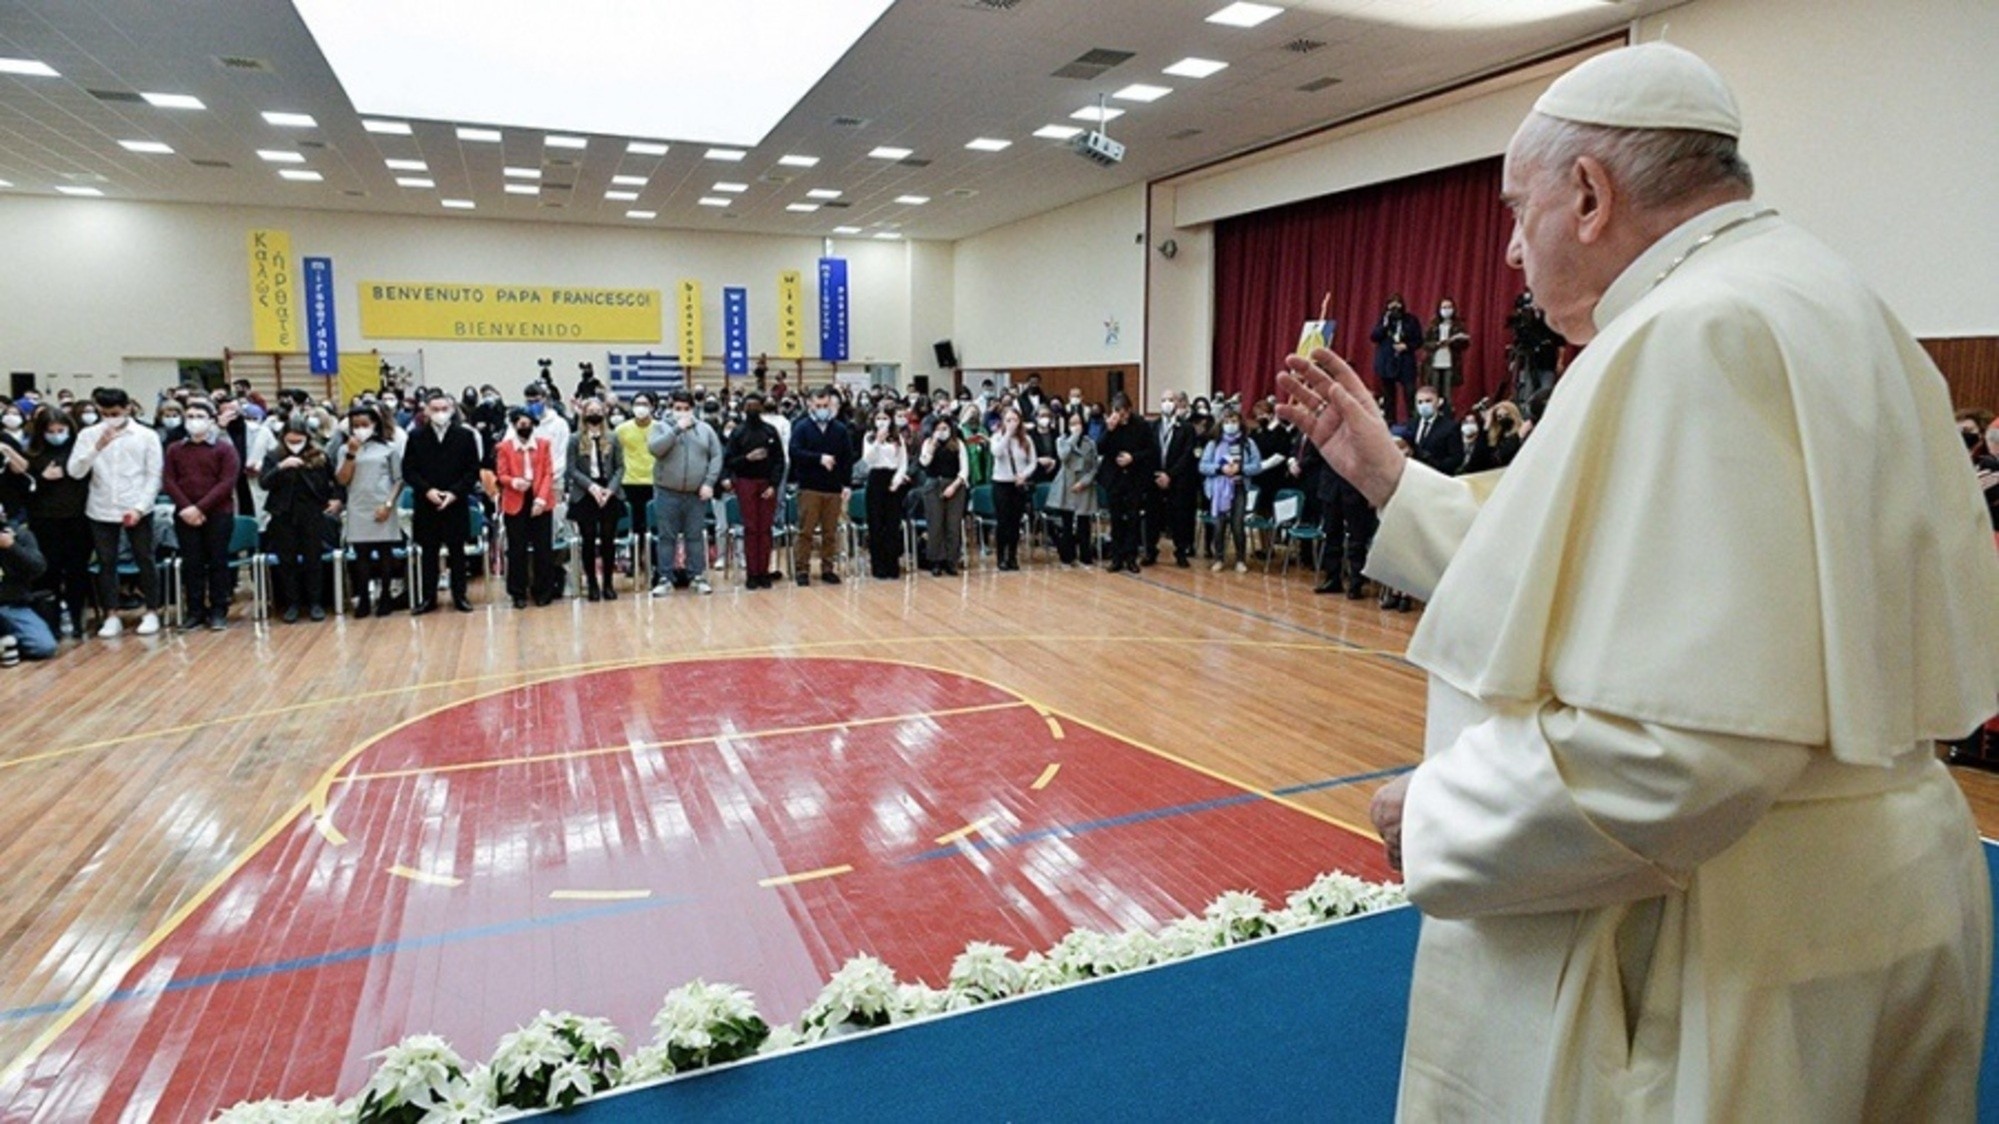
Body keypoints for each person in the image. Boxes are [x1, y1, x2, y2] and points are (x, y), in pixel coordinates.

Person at [1278, 43, 1999, 1120]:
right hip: (1869, 895)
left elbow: (1680, 752)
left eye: (1518, 212)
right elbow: (1597, 573)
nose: (1512, 254)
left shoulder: (1691, 331)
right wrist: (1393, 477)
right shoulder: (1820, 297)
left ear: (1588, 193)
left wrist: (1433, 812)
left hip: (1738, 933)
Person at [68, 388, 163, 637]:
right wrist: (96, 448)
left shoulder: (146, 435)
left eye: (116, 412)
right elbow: (75, 471)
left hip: (137, 506)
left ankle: (152, 611)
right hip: (101, 508)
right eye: (105, 413)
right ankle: (111, 614)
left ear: (128, 408)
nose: (111, 417)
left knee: (145, 558)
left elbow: (153, 475)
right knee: (106, 562)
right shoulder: (89, 435)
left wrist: (140, 507)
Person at [161, 399, 240, 630]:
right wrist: (186, 507)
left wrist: (200, 508)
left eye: (199, 416)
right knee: (192, 563)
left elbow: (226, 483)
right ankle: (194, 610)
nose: (194, 421)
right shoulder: (175, 449)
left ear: (211, 420)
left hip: (218, 514)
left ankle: (218, 610)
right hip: (185, 513)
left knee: (218, 561)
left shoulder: (225, 448)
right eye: (190, 416)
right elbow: (169, 480)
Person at [401, 390, 481, 614]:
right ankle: (428, 598)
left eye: (444, 409)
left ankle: (460, 596)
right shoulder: (416, 436)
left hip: (456, 502)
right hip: (427, 502)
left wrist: (454, 493)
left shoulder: (465, 436)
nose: (440, 413)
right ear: (426, 411)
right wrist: (427, 490)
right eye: (435, 409)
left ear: (452, 410)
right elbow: (409, 470)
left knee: (457, 552)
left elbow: (473, 470)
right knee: (428, 553)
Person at [22, 408, 91, 638]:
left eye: (60, 430)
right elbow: (21, 491)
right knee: (48, 572)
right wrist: (42, 479)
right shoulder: (32, 455)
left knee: (76, 571)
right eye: (50, 431)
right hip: (44, 521)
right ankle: (50, 621)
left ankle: (76, 618)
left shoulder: (78, 451)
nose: (56, 435)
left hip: (77, 519)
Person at [647, 391, 722, 596]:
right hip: (666, 492)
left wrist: (709, 483)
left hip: (696, 494)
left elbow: (716, 456)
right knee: (666, 537)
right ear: (671, 408)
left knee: (695, 536)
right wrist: (676, 430)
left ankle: (696, 576)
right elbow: (655, 449)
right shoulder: (660, 427)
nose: (682, 412)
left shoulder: (706, 430)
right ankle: (665, 578)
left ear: (693, 408)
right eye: (678, 408)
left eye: (686, 408)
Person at [332, 403, 403, 618]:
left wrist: (388, 505)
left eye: (365, 424)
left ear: (375, 424)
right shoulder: (344, 450)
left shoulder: (389, 448)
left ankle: (385, 598)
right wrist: (352, 454)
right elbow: (342, 479)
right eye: (356, 425)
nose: (360, 428)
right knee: (360, 555)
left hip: (382, 505)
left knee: (384, 554)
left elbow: (399, 480)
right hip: (358, 506)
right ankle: (363, 598)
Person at [260, 418, 333, 623]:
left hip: (311, 513)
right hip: (283, 514)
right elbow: (264, 483)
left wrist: (333, 500)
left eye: (299, 440)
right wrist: (281, 467)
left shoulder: (319, 456)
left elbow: (331, 482)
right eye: (291, 440)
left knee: (313, 559)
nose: (295, 444)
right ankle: (291, 603)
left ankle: (315, 603)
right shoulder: (274, 456)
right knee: (287, 561)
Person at [787, 386, 854, 586]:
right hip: (810, 487)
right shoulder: (801, 427)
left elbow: (847, 458)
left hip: (833, 488)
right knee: (806, 532)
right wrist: (819, 459)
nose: (823, 409)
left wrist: (847, 484)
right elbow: (795, 453)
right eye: (819, 405)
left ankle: (828, 568)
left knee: (830, 533)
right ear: (810, 405)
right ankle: (802, 569)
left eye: (826, 405)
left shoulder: (840, 429)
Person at [497, 406, 558, 608]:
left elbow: (548, 473)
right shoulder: (504, 447)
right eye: (521, 424)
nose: (525, 427)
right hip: (515, 499)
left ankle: (543, 591)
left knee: (543, 548)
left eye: (528, 423)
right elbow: (501, 474)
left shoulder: (543, 445)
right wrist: (514, 482)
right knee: (517, 550)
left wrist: (541, 499)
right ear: (514, 425)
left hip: (539, 496)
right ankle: (518, 592)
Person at [724, 393, 786, 589]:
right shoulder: (738, 433)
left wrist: (773, 485)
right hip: (746, 483)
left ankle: (764, 572)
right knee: (751, 529)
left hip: (766, 484)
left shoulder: (770, 431)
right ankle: (752, 573)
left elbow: (779, 461)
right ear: (744, 408)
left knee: (765, 530)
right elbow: (730, 462)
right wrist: (747, 458)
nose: (753, 409)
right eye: (749, 405)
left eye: (756, 405)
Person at [567, 401, 625, 601]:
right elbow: (571, 469)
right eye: (590, 411)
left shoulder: (613, 437)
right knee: (588, 539)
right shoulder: (574, 439)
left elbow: (620, 467)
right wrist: (591, 487)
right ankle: (591, 582)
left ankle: (608, 583)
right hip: (585, 493)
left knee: (609, 540)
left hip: (609, 492)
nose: (594, 415)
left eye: (598, 411)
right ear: (584, 414)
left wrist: (609, 490)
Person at [1198, 408, 1263, 572]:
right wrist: (1220, 469)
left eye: (1233, 421)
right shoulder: (1214, 444)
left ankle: (1240, 559)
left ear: (1240, 423)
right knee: (1219, 525)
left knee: (1237, 524)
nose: (1230, 425)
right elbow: (1203, 466)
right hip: (1218, 491)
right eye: (1226, 422)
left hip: (1239, 488)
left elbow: (1257, 466)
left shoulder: (1248, 444)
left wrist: (1240, 469)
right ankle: (1219, 558)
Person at [1096, 394, 1155, 574]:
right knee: (1115, 519)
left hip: (1134, 479)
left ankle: (1131, 557)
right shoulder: (1109, 426)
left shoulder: (1142, 426)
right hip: (1114, 479)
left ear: (1129, 410)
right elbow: (1099, 448)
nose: (1119, 416)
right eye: (1116, 412)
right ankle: (1116, 557)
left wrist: (1132, 458)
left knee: (1133, 519)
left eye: (1122, 412)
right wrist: (1109, 429)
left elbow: (1150, 451)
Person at [1148, 392, 1200, 567]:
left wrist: (1170, 475)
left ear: (1177, 404)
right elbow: (1148, 452)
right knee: (1153, 517)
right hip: (1155, 479)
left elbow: (1187, 455)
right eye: (1164, 400)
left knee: (1180, 517)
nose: (1167, 403)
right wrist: (1157, 474)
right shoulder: (1153, 426)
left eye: (1170, 400)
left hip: (1177, 480)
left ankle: (1181, 552)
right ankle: (1150, 551)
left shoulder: (1186, 428)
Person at [860, 408, 911, 579]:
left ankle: (892, 564)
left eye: (885, 418)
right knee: (876, 524)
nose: (882, 421)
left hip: (893, 480)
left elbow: (903, 461)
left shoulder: (898, 438)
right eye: (878, 418)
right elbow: (868, 460)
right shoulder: (868, 436)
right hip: (876, 478)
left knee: (892, 523)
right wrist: (877, 442)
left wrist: (897, 480)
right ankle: (878, 565)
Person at [0, 505, 55, 661]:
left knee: (44, 646)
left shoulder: (20, 535)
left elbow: (38, 568)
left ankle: (9, 642)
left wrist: (12, 547)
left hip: (12, 604)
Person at [1047, 409, 1099, 567]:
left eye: (1078, 423)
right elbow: (1063, 456)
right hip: (1066, 485)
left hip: (1084, 484)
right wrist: (1073, 437)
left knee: (1084, 522)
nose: (1076, 426)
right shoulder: (1061, 440)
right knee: (1067, 522)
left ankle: (1085, 556)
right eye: (1072, 423)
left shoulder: (1090, 443)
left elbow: (1094, 466)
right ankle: (1068, 556)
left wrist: (1084, 482)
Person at [918, 416, 968, 577]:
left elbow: (964, 469)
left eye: (945, 429)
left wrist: (954, 486)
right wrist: (932, 447)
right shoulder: (928, 443)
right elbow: (924, 463)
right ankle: (936, 561)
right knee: (935, 525)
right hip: (933, 485)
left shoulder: (958, 444)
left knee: (953, 525)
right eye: (938, 429)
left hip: (955, 485)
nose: (942, 432)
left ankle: (951, 561)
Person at [616, 392, 659, 580]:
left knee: (655, 527)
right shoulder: (621, 429)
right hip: (629, 482)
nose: (641, 407)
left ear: (653, 407)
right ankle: (634, 562)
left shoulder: (661, 428)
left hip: (655, 482)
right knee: (635, 527)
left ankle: (656, 564)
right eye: (637, 403)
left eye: (645, 403)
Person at [988, 406, 1036, 572]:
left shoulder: (1026, 440)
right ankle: (1001, 557)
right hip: (1001, 483)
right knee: (1003, 521)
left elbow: (1032, 462)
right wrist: (1007, 434)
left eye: (1015, 420)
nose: (1012, 423)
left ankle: (1013, 556)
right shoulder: (996, 437)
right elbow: (997, 452)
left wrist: (1024, 475)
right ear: (1003, 422)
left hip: (1018, 484)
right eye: (1008, 420)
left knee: (1015, 522)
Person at [1368, 293, 1424, 425]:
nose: (1395, 307)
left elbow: (1419, 340)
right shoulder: (1384, 320)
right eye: (1391, 304)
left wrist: (1407, 346)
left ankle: (1413, 421)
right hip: (1387, 362)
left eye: (1397, 303)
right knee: (1388, 395)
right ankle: (1390, 421)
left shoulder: (1411, 320)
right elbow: (1374, 337)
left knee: (1410, 393)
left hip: (1405, 362)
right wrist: (1385, 323)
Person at [1420, 299, 1471, 405]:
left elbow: (1465, 345)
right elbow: (1424, 343)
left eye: (1449, 307)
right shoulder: (1433, 325)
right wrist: (1437, 344)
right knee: (1434, 393)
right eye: (1444, 307)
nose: (1447, 310)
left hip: (1450, 363)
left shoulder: (1458, 325)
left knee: (1447, 395)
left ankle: (1447, 417)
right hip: (1434, 363)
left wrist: (1454, 341)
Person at [1406, 385, 1462, 474]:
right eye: (1420, 402)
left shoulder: (1450, 427)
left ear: (1438, 402)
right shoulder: (1411, 425)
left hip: (1439, 476)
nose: (1424, 405)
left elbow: (1456, 458)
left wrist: (1435, 466)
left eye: (1428, 401)